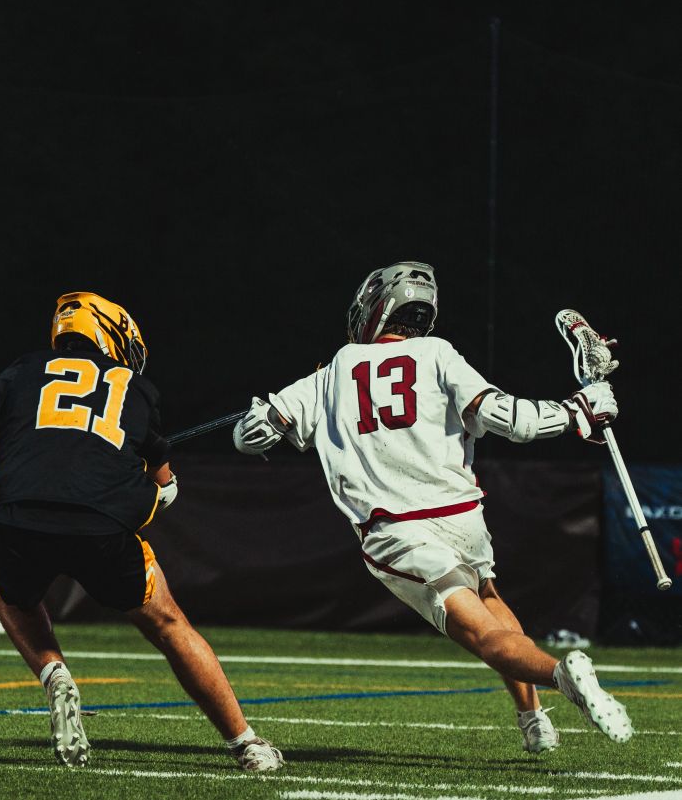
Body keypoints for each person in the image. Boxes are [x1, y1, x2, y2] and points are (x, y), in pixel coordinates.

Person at [233, 261, 632, 753]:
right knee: (490, 597)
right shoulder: (438, 352)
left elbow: (250, 437)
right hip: (463, 518)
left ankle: (560, 676)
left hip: (400, 532)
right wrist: (578, 411)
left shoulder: (331, 373)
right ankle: (533, 719)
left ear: (374, 309)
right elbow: (511, 420)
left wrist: (259, 417)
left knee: (483, 635)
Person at [0, 291, 283, 771]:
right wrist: (140, 481)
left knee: (12, 594)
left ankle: (53, 672)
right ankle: (246, 743)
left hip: (18, 520)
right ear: (111, 335)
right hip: (103, 526)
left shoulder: (22, 371)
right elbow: (164, 488)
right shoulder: (136, 388)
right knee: (169, 625)